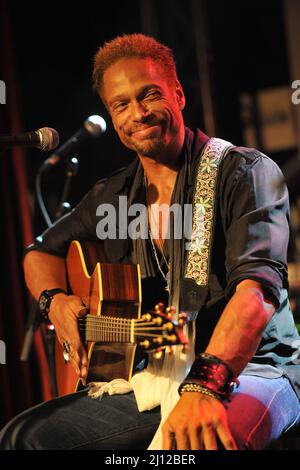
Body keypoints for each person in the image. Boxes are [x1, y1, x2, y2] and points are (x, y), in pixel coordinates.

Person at [1, 33, 300, 450]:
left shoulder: (244, 173)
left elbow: (257, 293)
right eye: (121, 104)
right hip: (155, 375)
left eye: (149, 95)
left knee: (199, 443)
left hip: (253, 371)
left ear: (178, 94)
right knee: (24, 437)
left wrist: (205, 386)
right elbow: (39, 252)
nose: (138, 114)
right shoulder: (113, 195)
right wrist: (56, 302)